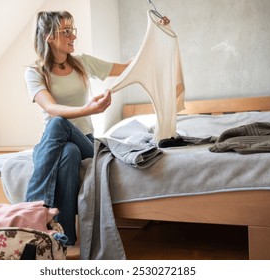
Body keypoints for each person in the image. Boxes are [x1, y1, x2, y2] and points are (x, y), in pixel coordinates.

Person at [24, 10, 170, 246]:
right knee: (68, 151)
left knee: (62, 127)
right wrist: (89, 109)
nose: (73, 36)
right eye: (66, 31)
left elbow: (128, 67)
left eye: (73, 30)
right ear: (49, 37)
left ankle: (32, 206)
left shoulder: (82, 63)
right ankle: (66, 238)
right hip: (57, 145)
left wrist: (157, 35)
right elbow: (51, 108)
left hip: (86, 140)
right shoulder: (34, 73)